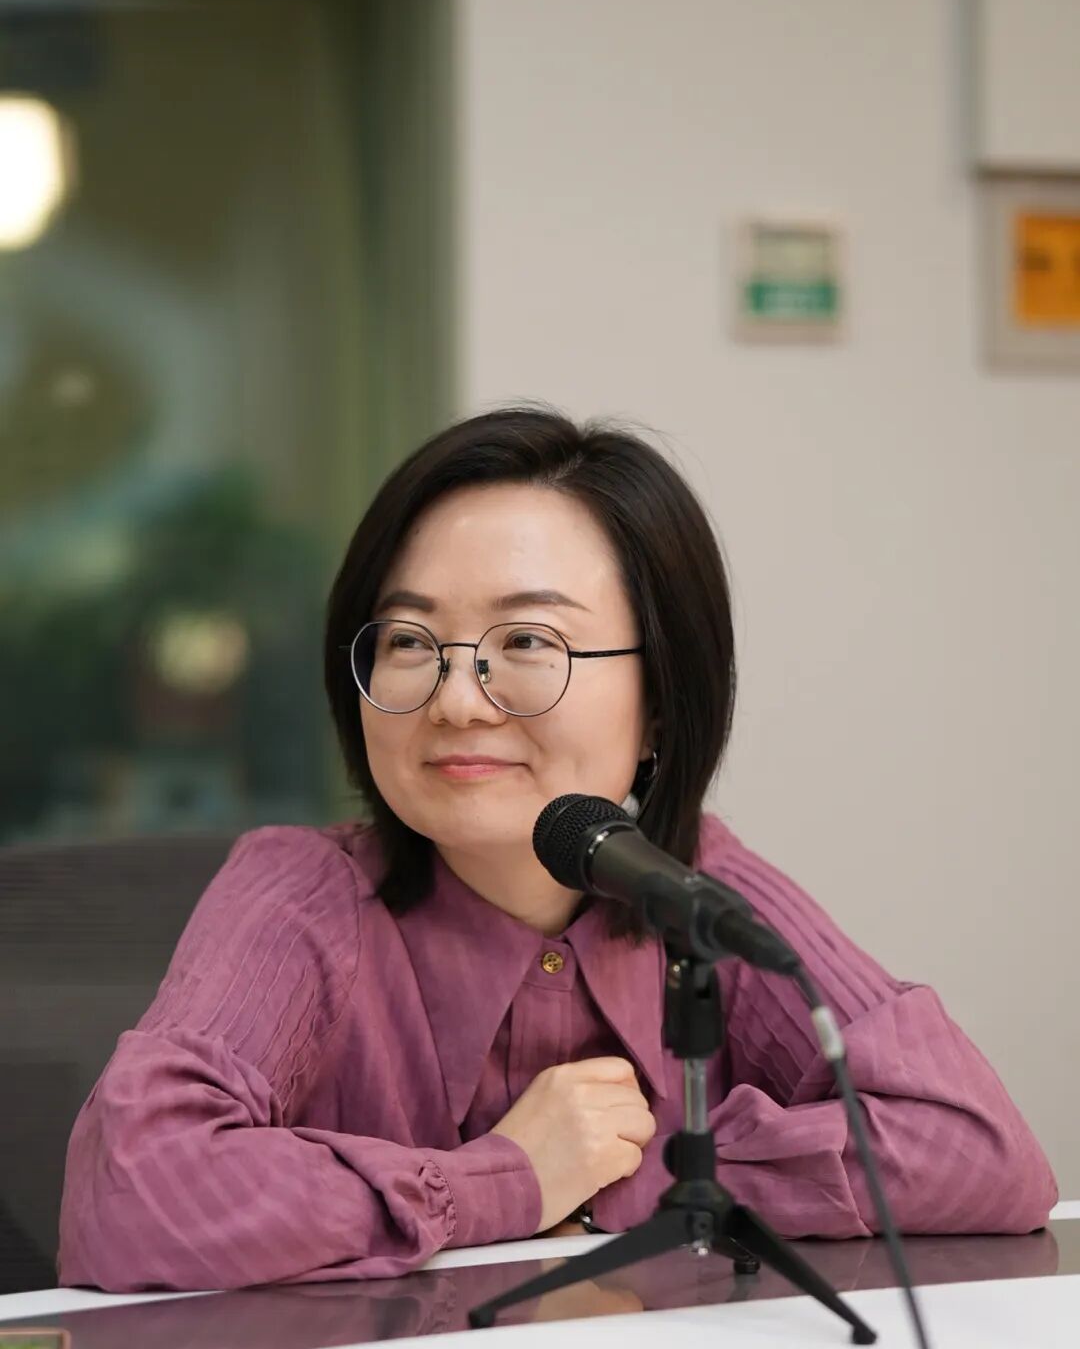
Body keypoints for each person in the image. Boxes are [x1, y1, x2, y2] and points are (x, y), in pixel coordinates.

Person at [58, 407, 1058, 1292]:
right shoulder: (302, 892)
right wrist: (510, 1178)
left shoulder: (694, 886)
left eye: (528, 643)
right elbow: (130, 1191)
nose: (457, 699)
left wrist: (654, 1170)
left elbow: (980, 1149)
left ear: (659, 699)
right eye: (409, 642)